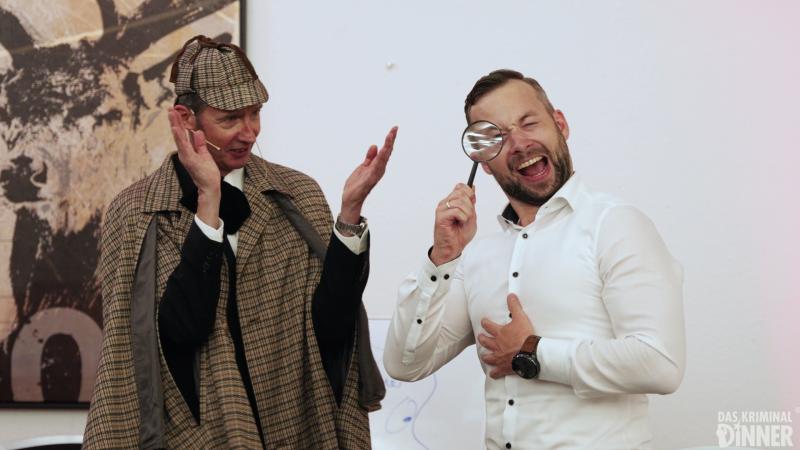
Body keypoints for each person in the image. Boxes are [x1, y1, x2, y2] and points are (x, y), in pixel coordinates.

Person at [84, 35, 396, 449]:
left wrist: (350, 216)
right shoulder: (136, 212)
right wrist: (208, 203)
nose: (249, 132)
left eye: (255, 113)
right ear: (186, 118)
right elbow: (175, 334)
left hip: (297, 426)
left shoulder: (296, 194)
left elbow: (333, 324)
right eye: (230, 118)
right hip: (197, 436)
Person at [383, 69, 685, 449]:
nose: (520, 143)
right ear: (484, 161)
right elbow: (405, 364)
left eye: (529, 123)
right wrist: (441, 257)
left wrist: (532, 352)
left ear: (560, 124)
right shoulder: (476, 258)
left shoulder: (615, 225)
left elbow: (661, 363)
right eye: (497, 138)